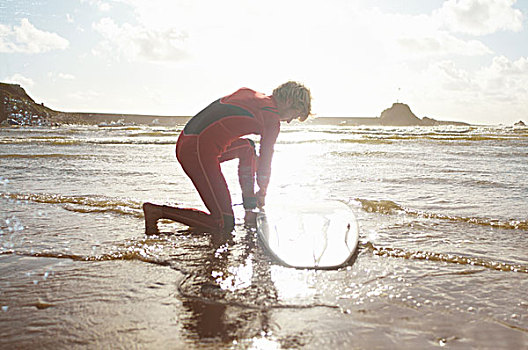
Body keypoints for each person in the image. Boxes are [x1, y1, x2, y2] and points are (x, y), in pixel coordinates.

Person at [142, 81, 312, 234]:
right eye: (294, 115)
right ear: (289, 102)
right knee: (223, 223)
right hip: (196, 153)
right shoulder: (270, 118)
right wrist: (263, 192)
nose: (289, 121)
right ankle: (157, 212)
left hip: (188, 142)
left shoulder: (252, 94)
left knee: (248, 148)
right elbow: (266, 160)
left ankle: (249, 207)